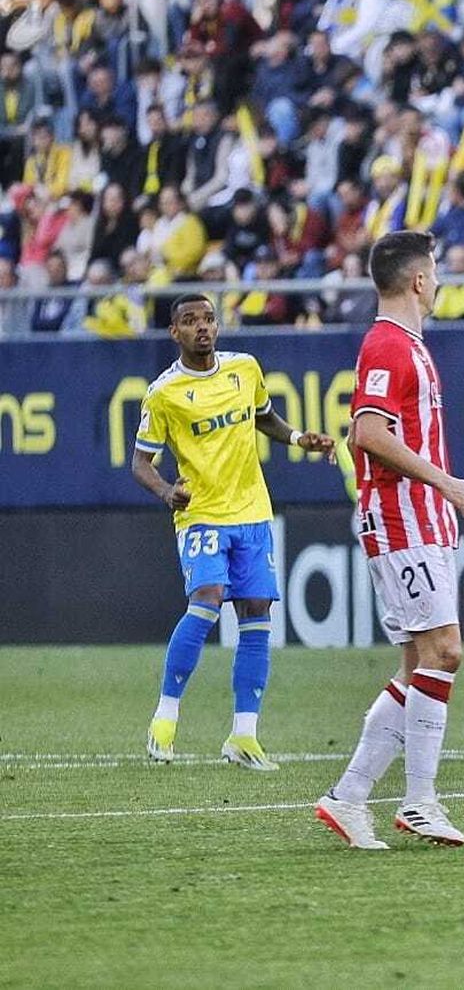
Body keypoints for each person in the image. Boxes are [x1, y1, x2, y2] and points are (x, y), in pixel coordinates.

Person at [315, 231, 464, 851]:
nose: (437, 282)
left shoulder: (408, 345)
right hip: (403, 514)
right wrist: (444, 480)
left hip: (418, 515)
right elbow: (367, 433)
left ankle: (349, 796)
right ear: (417, 280)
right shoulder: (388, 345)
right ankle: (419, 801)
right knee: (445, 652)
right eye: (434, 272)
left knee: (418, 665)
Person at [133, 293, 337, 769]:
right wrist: (166, 492)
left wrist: (298, 438)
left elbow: (263, 415)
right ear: (174, 332)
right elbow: (141, 461)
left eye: (208, 319)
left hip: (252, 510)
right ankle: (165, 720)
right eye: (190, 321)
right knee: (206, 597)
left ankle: (243, 736)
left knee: (256, 611)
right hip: (201, 512)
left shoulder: (244, 368)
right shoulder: (164, 393)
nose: (202, 327)